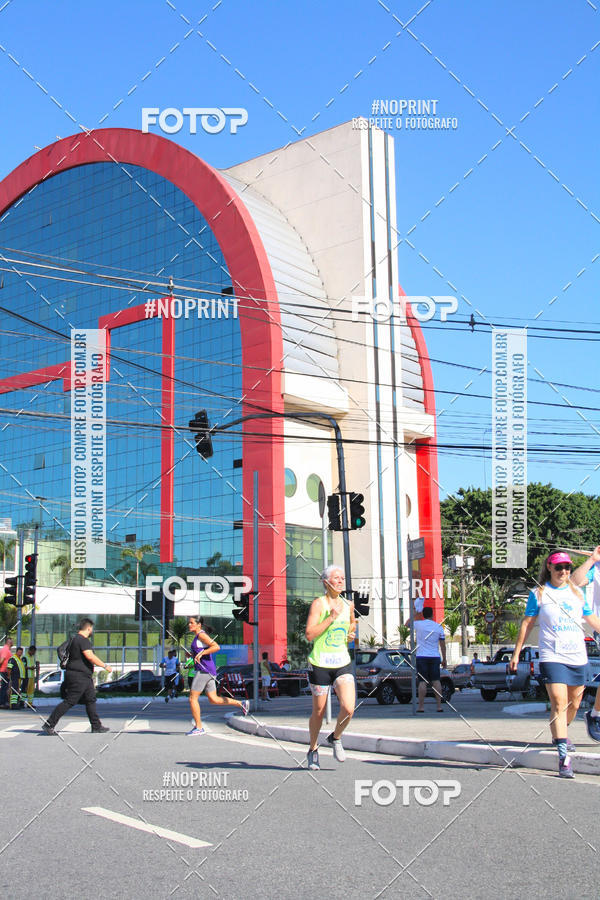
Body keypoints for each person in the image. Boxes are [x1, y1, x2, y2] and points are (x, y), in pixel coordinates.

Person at [511, 550, 600, 778]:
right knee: (559, 703)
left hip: (577, 657)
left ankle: (560, 732)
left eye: (567, 567)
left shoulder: (577, 594)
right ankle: (563, 756)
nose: (564, 571)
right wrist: (516, 653)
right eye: (559, 567)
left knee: (574, 703)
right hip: (552, 656)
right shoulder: (539, 594)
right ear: (549, 567)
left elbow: (591, 619)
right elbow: (527, 624)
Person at [305, 565, 356, 770]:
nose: (341, 581)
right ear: (326, 582)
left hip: (342, 662)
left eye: (342, 578)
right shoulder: (319, 604)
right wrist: (331, 617)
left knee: (349, 708)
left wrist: (351, 635)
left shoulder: (348, 604)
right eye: (336, 578)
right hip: (319, 663)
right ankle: (313, 748)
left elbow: (352, 625)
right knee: (318, 711)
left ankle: (335, 737)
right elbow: (309, 634)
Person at [42, 618, 112, 735]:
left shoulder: (74, 639)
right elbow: (90, 656)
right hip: (79, 676)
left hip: (83, 675)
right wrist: (105, 666)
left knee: (90, 699)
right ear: (88, 628)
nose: (92, 631)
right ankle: (49, 724)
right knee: (70, 701)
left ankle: (96, 726)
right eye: (92, 629)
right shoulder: (83, 640)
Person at [186, 616, 248, 735]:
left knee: (192, 698)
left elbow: (216, 646)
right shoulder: (198, 636)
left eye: (191, 623)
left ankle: (198, 727)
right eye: (189, 623)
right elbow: (203, 650)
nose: (189, 625)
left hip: (204, 671)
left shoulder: (201, 635)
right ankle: (241, 704)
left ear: (199, 624)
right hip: (209, 670)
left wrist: (202, 653)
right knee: (213, 699)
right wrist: (196, 654)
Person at [570, 545, 600, 741]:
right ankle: (596, 714)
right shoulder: (596, 568)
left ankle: (596, 713)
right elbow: (574, 582)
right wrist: (592, 559)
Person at [414, 607, 447, 713]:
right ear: (432, 615)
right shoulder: (438, 627)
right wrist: (444, 659)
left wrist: (415, 613)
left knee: (422, 682)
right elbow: (442, 645)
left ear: (423, 615)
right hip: (435, 656)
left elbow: (406, 624)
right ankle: (438, 706)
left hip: (421, 657)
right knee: (436, 681)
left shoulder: (418, 624)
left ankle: (421, 707)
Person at [0, 637, 14, 707]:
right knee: (4, 687)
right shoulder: (5, 650)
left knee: (5, 687)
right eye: (12, 641)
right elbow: (1, 660)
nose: (13, 643)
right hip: (4, 671)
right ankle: (2, 703)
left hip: (6, 671)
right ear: (9, 642)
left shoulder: (7, 650)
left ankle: (4, 702)